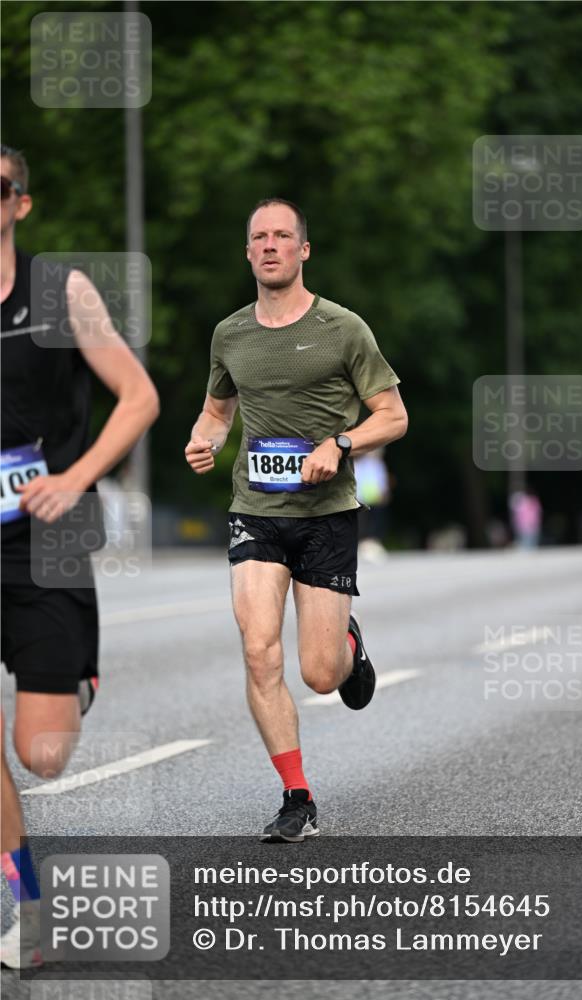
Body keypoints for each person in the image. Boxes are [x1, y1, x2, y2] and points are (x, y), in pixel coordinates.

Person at [185, 198, 407, 843]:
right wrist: (203, 439)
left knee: (318, 673)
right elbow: (218, 412)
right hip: (255, 510)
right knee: (259, 651)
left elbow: (393, 416)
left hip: (326, 515)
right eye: (260, 237)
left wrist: (340, 443)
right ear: (248, 251)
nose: (271, 245)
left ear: (303, 250)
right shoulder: (230, 334)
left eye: (283, 235)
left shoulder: (343, 328)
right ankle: (296, 795)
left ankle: (347, 647)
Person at [0, 145, 159, 968]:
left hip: (47, 537)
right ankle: (24, 904)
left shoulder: (60, 291)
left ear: (20, 204)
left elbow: (139, 398)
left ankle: (76, 674)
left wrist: (71, 478)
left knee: (42, 753)